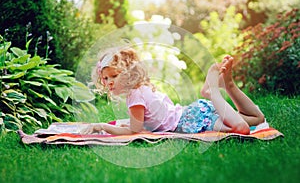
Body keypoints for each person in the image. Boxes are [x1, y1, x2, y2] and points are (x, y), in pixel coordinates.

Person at [81, 47, 265, 135]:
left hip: (190, 120)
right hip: (193, 111)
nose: (109, 82)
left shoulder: (135, 97)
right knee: (258, 119)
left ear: (128, 73)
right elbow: (142, 124)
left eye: (114, 76)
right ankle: (228, 85)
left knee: (241, 129)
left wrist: (102, 126)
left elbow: (134, 131)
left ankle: (214, 90)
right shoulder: (141, 88)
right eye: (105, 78)